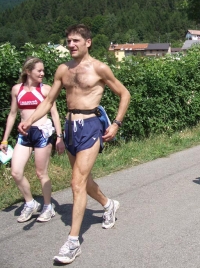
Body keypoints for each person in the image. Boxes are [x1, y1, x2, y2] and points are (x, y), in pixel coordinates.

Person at [18, 24, 131, 264]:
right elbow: (49, 101)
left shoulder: (99, 68)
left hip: (90, 127)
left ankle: (72, 242)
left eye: (76, 40)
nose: (71, 45)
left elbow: (124, 94)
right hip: (70, 129)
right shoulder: (63, 70)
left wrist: (116, 124)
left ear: (88, 42)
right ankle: (109, 205)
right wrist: (30, 120)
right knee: (84, 181)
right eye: (68, 40)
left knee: (76, 183)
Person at [0, 57, 65, 223]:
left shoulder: (46, 90)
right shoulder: (17, 90)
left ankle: (48, 206)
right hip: (24, 135)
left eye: (43, 70)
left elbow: (55, 114)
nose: (43, 73)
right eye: (39, 70)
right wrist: (5, 139)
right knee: (16, 172)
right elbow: (13, 114)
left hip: (42, 133)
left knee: (40, 172)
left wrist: (59, 137)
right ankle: (30, 203)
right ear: (28, 71)